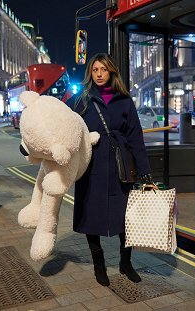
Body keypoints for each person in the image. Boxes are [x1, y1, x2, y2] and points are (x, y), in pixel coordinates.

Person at [67, 53, 152, 286]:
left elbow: (135, 137)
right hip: (91, 166)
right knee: (90, 216)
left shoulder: (124, 100)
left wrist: (144, 171)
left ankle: (126, 263)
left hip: (120, 168)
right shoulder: (80, 100)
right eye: (95, 70)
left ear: (111, 72)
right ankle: (99, 264)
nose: (100, 74)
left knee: (127, 218)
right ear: (90, 73)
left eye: (104, 70)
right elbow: (62, 123)